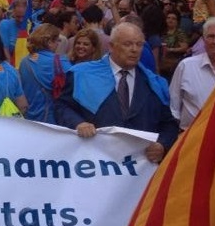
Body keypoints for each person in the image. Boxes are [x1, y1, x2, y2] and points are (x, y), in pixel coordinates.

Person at [54, 22, 178, 164]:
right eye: (128, 44)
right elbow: (62, 107)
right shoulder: (81, 74)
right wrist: (78, 123)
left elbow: (169, 124)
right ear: (111, 46)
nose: (134, 50)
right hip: (93, 164)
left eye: (139, 44)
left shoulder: (155, 83)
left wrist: (162, 145)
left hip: (139, 170)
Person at [169, 17, 215, 131]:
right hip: (192, 140)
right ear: (203, 40)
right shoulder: (186, 66)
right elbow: (173, 106)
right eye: (211, 36)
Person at [18, 24, 72, 123]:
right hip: (51, 119)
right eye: (57, 40)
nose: (58, 44)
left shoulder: (24, 61)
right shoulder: (60, 62)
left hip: (28, 118)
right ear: (49, 42)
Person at [160, 10, 189, 80]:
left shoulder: (179, 33)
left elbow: (184, 47)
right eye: (168, 18)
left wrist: (170, 49)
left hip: (172, 65)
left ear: (177, 21)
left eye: (173, 18)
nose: (170, 20)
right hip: (161, 63)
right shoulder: (162, 31)